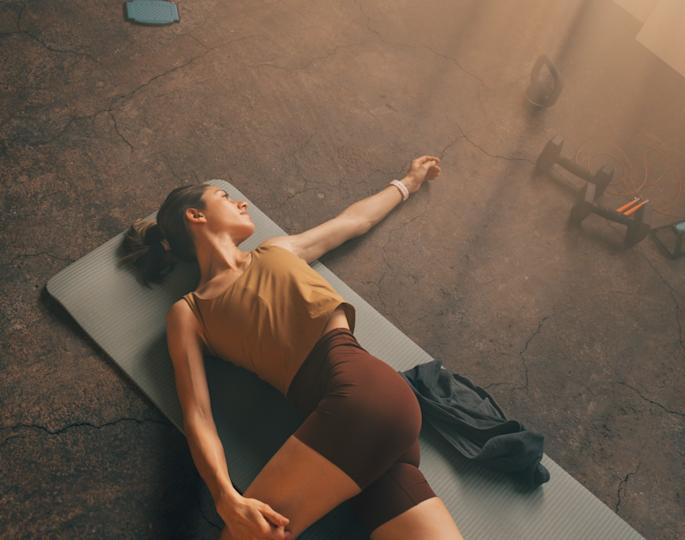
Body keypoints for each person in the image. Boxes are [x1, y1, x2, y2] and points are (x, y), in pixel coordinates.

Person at [119, 156, 464, 540]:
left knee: (243, 536)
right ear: (195, 216)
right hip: (373, 418)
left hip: (359, 395)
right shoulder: (190, 312)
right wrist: (225, 497)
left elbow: (353, 221)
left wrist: (409, 182)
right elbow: (197, 414)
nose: (242, 202)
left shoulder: (278, 250)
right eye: (225, 196)